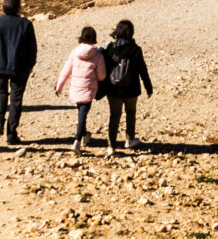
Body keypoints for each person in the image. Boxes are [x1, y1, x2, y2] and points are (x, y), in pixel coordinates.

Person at [0, 0, 38, 145]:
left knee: (0, 92)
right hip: (19, 68)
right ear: (18, 7)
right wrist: (30, 64)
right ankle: (11, 134)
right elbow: (32, 48)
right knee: (16, 99)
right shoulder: (25, 24)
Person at [100, 20, 154, 153]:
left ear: (117, 32)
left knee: (114, 116)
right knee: (131, 113)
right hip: (131, 88)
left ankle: (111, 145)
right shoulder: (136, 49)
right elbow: (143, 70)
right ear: (131, 32)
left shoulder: (110, 49)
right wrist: (148, 87)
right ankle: (129, 139)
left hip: (113, 90)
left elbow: (104, 69)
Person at [54, 26, 107, 154]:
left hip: (76, 88)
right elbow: (101, 76)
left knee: (81, 112)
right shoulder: (98, 55)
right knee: (82, 113)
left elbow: (66, 70)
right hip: (89, 89)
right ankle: (77, 141)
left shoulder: (75, 52)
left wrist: (59, 86)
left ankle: (84, 135)